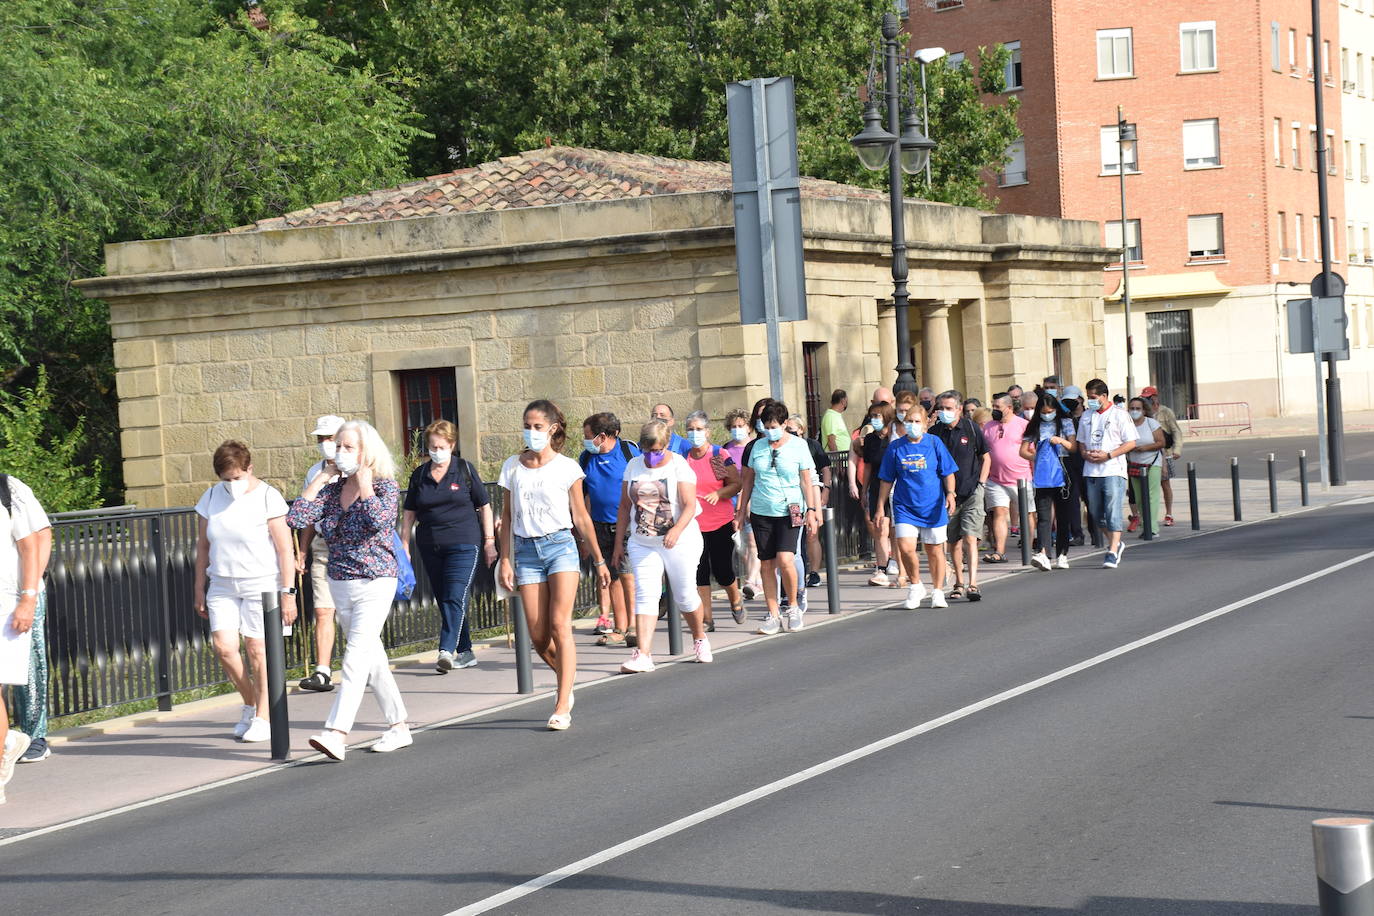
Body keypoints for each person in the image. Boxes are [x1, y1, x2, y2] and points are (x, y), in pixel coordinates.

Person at [288, 420, 410, 759]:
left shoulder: (384, 486)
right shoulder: (329, 490)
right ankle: (398, 726)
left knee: (355, 655)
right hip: (340, 580)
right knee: (372, 658)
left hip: (376, 578)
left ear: (365, 452)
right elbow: (297, 518)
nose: (339, 452)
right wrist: (321, 478)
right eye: (337, 446)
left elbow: (380, 521)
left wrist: (365, 484)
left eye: (347, 447)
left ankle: (336, 732)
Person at [497, 400, 609, 730]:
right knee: (537, 635)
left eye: (537, 426)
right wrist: (505, 559)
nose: (530, 432)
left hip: (560, 547)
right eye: (527, 426)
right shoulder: (512, 467)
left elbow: (581, 516)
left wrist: (600, 559)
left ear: (552, 428)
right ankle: (567, 679)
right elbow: (506, 516)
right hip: (526, 551)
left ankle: (562, 703)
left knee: (560, 625)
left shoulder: (567, 467)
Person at [194, 441, 298, 744]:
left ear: (249, 469)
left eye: (237, 478)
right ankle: (251, 702)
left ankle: (264, 717)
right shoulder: (211, 497)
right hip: (223, 583)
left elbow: (284, 548)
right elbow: (203, 546)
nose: (231, 485)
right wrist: (199, 587)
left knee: (257, 649)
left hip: (260, 582)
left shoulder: (268, 496)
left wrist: (287, 592)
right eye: (226, 479)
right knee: (224, 647)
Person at [615, 420, 710, 672]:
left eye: (657, 451)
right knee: (646, 594)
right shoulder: (633, 465)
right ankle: (643, 654)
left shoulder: (679, 465)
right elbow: (624, 506)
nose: (651, 456)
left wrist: (676, 530)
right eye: (647, 451)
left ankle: (699, 637)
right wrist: (618, 545)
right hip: (643, 542)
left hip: (680, 540)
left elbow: (689, 505)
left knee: (684, 595)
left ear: (666, 445)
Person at [402, 420, 496, 673]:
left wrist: (489, 542)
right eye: (432, 446)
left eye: (441, 446)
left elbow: (484, 505)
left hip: (464, 542)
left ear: (452, 445)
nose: (436, 450)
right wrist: (404, 546)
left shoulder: (464, 470)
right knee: (446, 599)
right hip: (430, 545)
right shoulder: (420, 475)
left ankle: (445, 650)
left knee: (455, 595)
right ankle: (465, 651)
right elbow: (409, 512)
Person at [735, 402, 820, 635]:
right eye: (766, 426)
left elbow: (806, 480)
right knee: (767, 563)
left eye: (774, 426)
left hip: (790, 509)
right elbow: (748, 480)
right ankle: (773, 613)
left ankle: (793, 605)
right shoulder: (757, 448)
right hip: (762, 511)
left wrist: (811, 510)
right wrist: (741, 512)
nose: (769, 431)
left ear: (784, 424)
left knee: (786, 559)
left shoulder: (799, 446)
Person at [0, 473, 53, 794]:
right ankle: (9, 739)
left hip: (20, 595)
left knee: (30, 669)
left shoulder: (11, 489)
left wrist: (30, 592)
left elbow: (40, 536)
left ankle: (35, 735)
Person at [874, 406, 957, 610]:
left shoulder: (934, 443)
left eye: (917, 421)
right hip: (905, 505)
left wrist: (951, 493)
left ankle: (937, 591)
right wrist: (879, 507)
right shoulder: (896, 447)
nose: (912, 425)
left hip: (932, 505)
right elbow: (886, 479)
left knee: (934, 550)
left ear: (926, 423)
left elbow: (948, 472)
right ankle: (916, 584)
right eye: (909, 421)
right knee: (905, 547)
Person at [580, 412, 640, 648]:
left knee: (627, 575)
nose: (585, 441)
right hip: (598, 526)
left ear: (602, 436)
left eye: (587, 436)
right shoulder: (586, 458)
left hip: (627, 525)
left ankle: (634, 626)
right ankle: (620, 628)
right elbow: (584, 495)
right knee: (610, 577)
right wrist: (584, 535)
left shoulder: (629, 452)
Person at [296, 415, 345, 692]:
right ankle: (323, 671)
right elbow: (307, 515)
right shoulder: (315, 472)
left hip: (351, 549)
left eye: (330, 438)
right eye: (321, 439)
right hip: (323, 547)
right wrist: (303, 550)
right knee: (323, 610)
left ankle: (362, 665)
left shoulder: (355, 468)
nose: (325, 444)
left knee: (351, 613)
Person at [682, 412, 744, 629]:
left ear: (707, 432)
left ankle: (735, 598)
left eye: (699, 429)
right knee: (699, 571)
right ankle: (706, 618)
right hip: (693, 525)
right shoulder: (684, 457)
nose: (694, 433)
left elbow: (735, 484)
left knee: (722, 569)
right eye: (691, 429)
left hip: (719, 521)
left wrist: (719, 494)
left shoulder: (716, 455)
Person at [931, 390, 989, 601]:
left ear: (958, 409)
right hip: (947, 495)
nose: (945, 412)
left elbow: (986, 457)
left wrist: (981, 483)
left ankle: (973, 583)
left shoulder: (971, 428)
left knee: (970, 537)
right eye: (941, 408)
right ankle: (959, 582)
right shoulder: (935, 433)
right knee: (953, 540)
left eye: (949, 408)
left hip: (972, 490)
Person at [1076, 379, 1140, 569]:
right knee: (1095, 513)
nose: (1090, 401)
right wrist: (1085, 453)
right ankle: (1116, 541)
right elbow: (1081, 442)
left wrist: (1109, 455)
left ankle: (1112, 551)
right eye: (1088, 398)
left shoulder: (1120, 415)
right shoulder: (1086, 416)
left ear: (1104, 396)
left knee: (1112, 510)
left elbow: (1131, 443)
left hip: (1113, 469)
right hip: (1091, 470)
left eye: (1093, 398)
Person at [1019, 398, 1078, 571]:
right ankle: (1043, 552)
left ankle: (1062, 553)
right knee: (1043, 516)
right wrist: (1038, 457)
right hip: (1043, 474)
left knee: (1063, 515)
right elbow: (1022, 450)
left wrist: (1060, 441)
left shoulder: (1065, 423)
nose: (1047, 415)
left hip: (1063, 471)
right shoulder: (1034, 426)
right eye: (1043, 412)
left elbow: (1073, 447)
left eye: (1049, 412)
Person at [850, 401, 897, 586]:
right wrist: (864, 489)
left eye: (878, 416)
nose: (874, 419)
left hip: (895, 487)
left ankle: (897, 563)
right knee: (880, 529)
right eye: (872, 416)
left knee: (895, 529)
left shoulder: (895, 438)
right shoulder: (869, 439)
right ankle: (882, 568)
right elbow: (868, 465)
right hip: (877, 487)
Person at [981, 393, 1030, 564]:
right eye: (993, 406)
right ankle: (999, 551)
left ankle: (1028, 549)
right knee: (999, 513)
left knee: (1028, 513)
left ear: (1009, 408)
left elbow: (1032, 451)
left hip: (1021, 479)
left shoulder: (1024, 425)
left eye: (997, 407)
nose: (994, 410)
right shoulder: (988, 427)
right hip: (995, 479)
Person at [787, 415, 831, 589]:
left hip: (813, 495)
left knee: (812, 534)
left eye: (791, 429)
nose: (788, 433)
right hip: (794, 501)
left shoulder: (812, 445)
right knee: (797, 536)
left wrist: (825, 490)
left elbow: (824, 469)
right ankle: (798, 576)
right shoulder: (785, 447)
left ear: (801, 429)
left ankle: (814, 572)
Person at [1142, 386, 1183, 525]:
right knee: (1146, 486)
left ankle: (1169, 513)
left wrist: (1177, 449)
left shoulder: (1165, 412)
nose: (1146, 400)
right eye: (1144, 397)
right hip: (1148, 452)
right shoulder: (1143, 413)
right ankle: (1148, 516)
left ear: (1155, 397)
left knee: (1165, 484)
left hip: (1165, 452)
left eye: (1148, 397)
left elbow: (1176, 431)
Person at [1126, 396, 1167, 535]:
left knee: (1151, 495)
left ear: (1144, 410)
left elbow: (1161, 442)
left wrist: (1145, 448)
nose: (1135, 411)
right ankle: (1145, 524)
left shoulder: (1151, 423)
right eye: (1132, 408)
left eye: (1138, 408)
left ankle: (1153, 528)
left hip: (1152, 462)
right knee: (1138, 497)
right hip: (1134, 464)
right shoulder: (1125, 424)